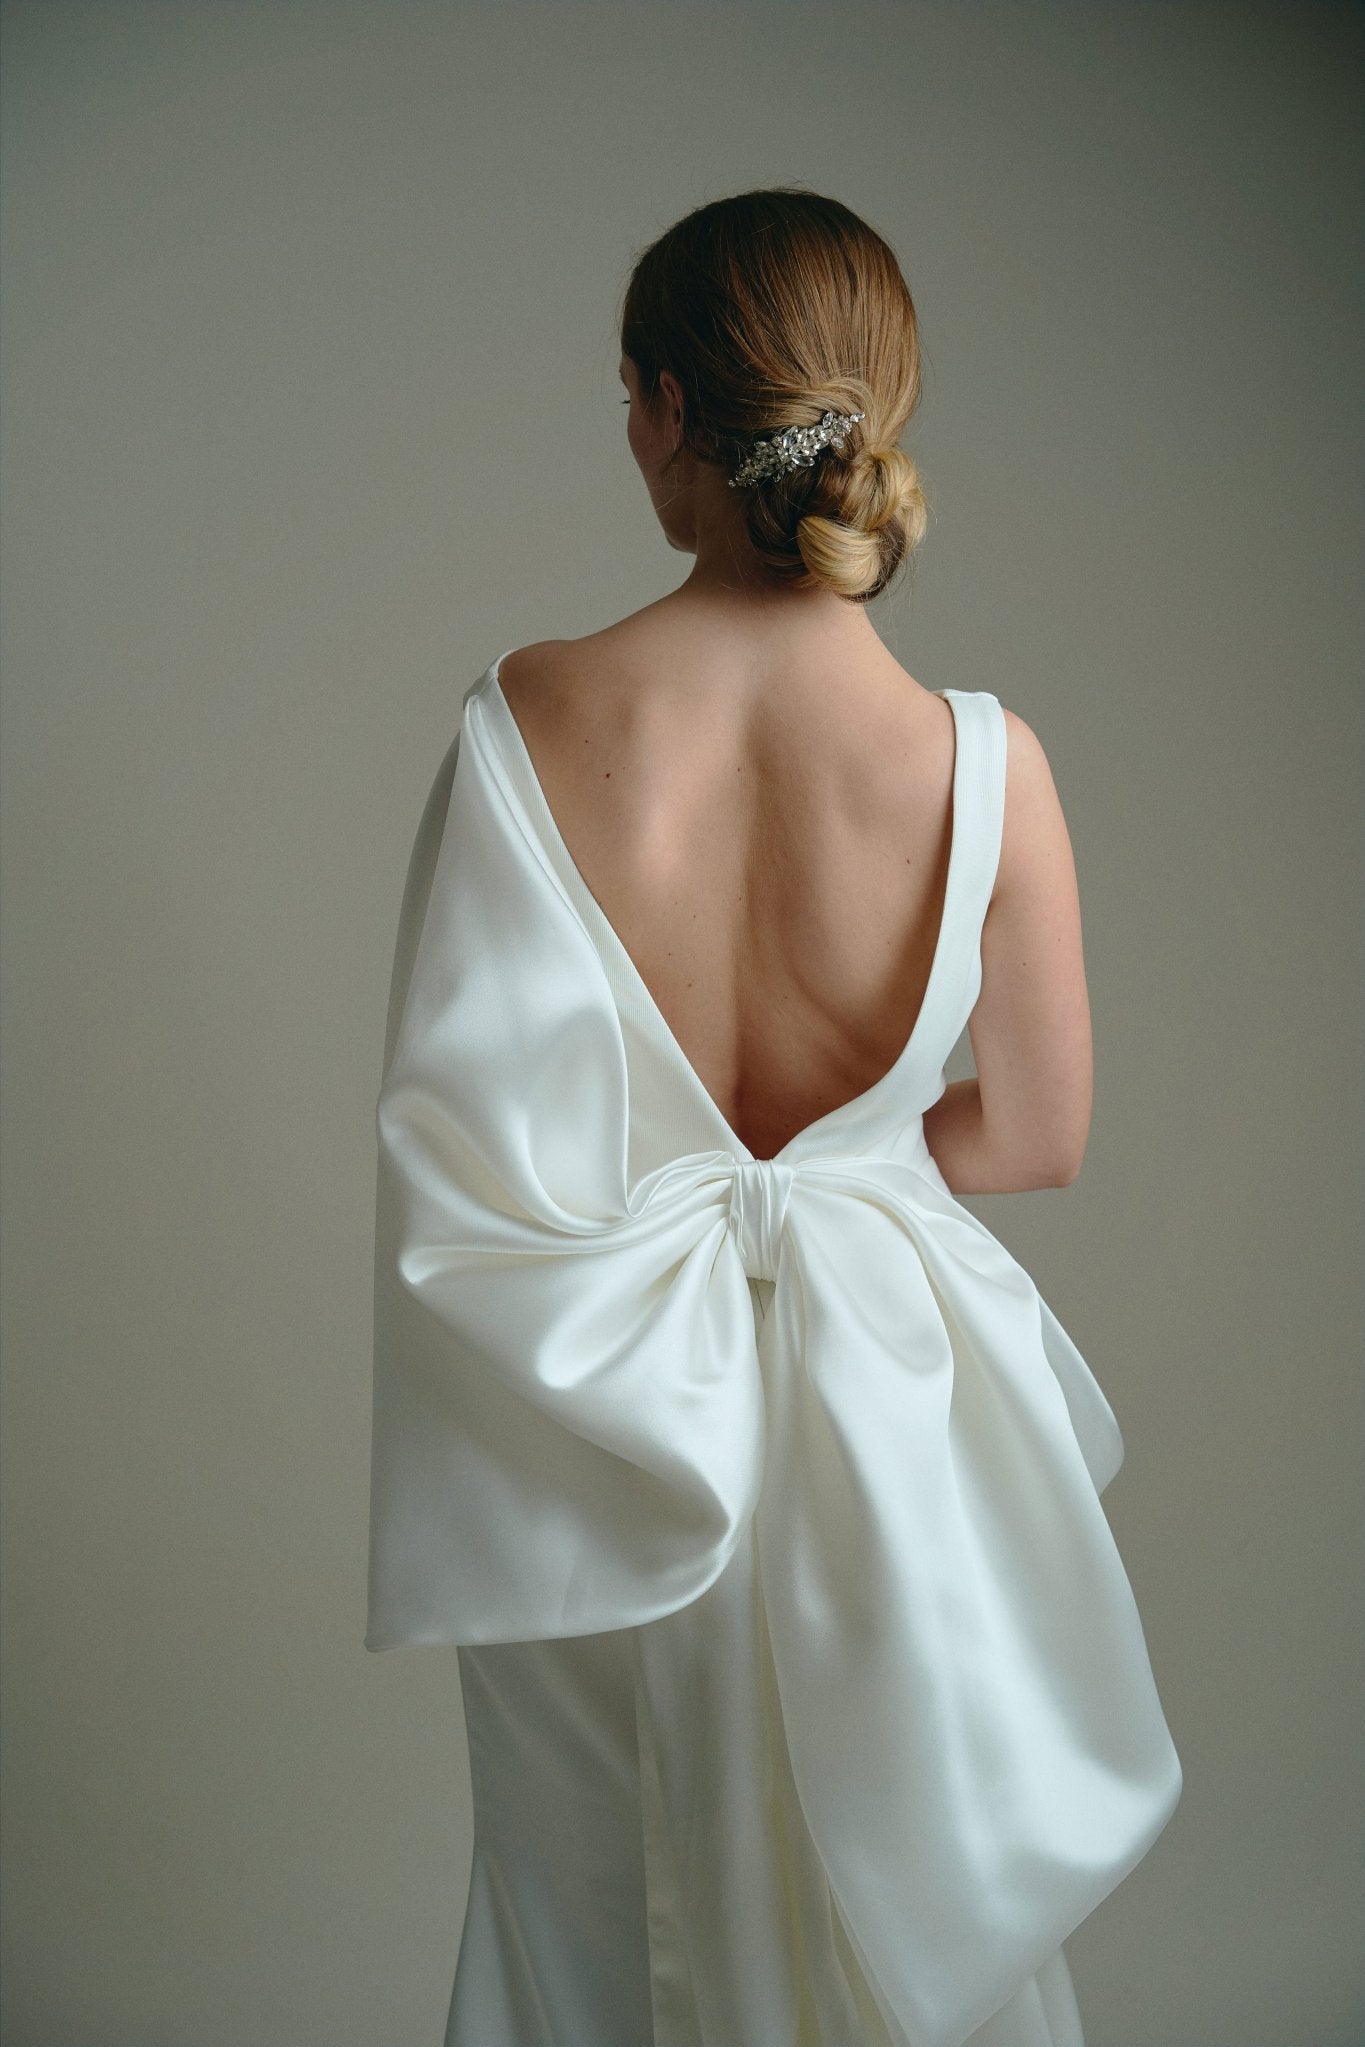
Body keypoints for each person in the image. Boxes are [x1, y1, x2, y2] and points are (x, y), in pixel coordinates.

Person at [365, 188, 1183, 2047]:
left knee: (595, 1897)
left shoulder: (526, 714)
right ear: (872, 406)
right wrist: (848, 1181)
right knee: (884, 1887)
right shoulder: (984, 763)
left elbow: (465, 1126)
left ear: (661, 411)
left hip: (606, 1433)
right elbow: (1039, 1132)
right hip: (890, 1415)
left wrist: (696, 1204)